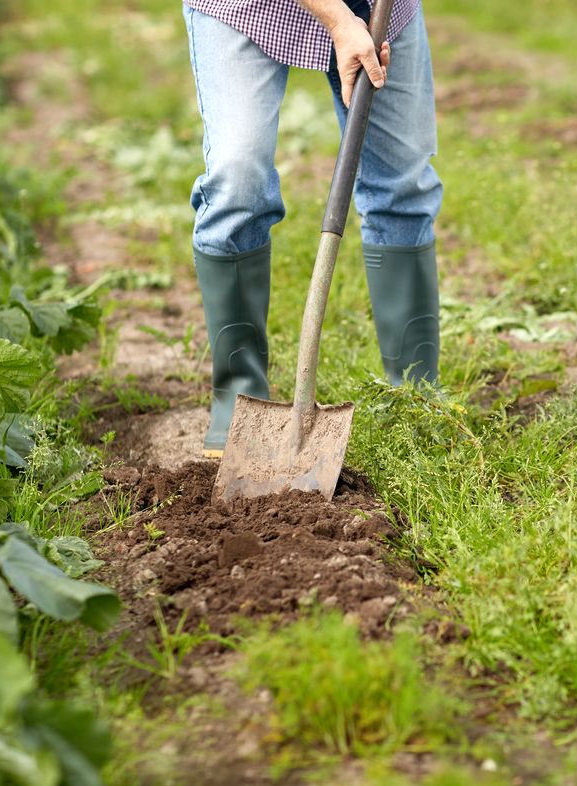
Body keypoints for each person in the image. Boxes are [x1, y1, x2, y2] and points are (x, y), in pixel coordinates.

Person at [181, 0, 442, 457]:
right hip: (246, 8)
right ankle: (239, 395)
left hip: (381, 8)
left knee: (401, 183)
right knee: (237, 182)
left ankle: (415, 396)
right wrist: (340, 20)